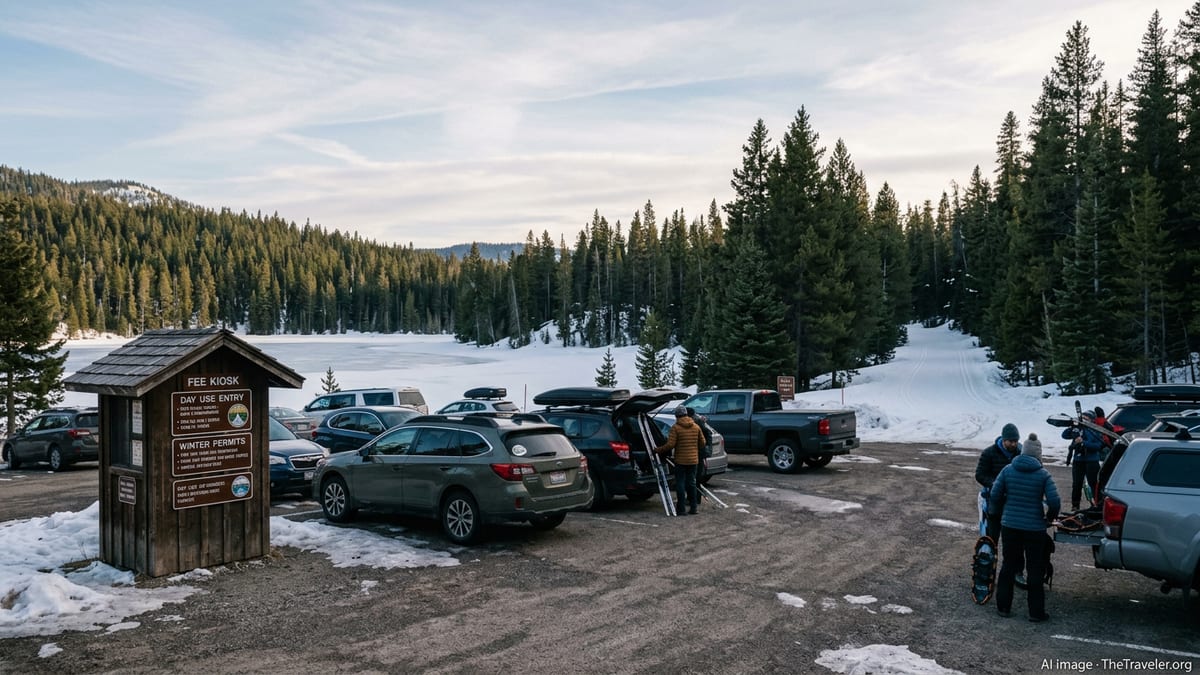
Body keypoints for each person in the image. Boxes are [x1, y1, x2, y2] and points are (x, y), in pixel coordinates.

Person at [988, 433, 1060, 623]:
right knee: (1034, 568)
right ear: (1038, 454)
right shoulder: (1043, 474)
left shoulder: (1007, 470)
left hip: (1010, 525)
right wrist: (1049, 519)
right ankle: (1036, 613)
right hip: (1034, 528)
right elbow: (1054, 502)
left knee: (1009, 565)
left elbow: (994, 495)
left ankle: (1003, 607)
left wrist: (1002, 512)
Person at [975, 423, 1022, 541]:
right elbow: (980, 475)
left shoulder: (1020, 453)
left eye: (1016, 441)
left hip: (1013, 501)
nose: (1014, 444)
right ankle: (990, 555)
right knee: (991, 535)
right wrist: (995, 484)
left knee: (1011, 537)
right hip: (993, 499)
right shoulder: (989, 453)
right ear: (1004, 440)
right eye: (1011, 441)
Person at [655, 405, 704, 515]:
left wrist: (658, 450)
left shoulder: (676, 428)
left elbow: (670, 445)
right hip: (693, 460)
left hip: (681, 461)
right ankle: (693, 508)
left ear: (677, 416)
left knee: (680, 484)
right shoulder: (696, 427)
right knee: (691, 483)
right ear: (686, 414)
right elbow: (702, 442)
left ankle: (681, 509)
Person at [1062, 410, 1103, 511]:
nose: (1084, 419)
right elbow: (1064, 435)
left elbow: (1098, 446)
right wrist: (1072, 426)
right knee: (1076, 484)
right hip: (1078, 460)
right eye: (1083, 417)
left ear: (1091, 420)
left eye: (1086, 418)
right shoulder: (1077, 428)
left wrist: (1083, 442)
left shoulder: (1095, 430)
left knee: (1093, 484)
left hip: (1091, 460)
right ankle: (1075, 506)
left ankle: (1097, 504)